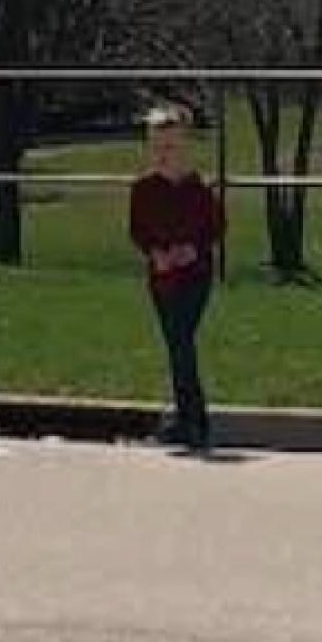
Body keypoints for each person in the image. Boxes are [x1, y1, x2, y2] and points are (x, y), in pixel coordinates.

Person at [128, 104, 224, 451]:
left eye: (170, 146)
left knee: (181, 340)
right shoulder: (143, 188)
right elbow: (137, 229)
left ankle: (193, 420)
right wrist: (155, 252)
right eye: (156, 147)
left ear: (184, 146)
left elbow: (215, 227)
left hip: (195, 275)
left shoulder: (198, 188)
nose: (163, 154)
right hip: (162, 276)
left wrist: (192, 250)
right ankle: (188, 418)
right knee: (176, 345)